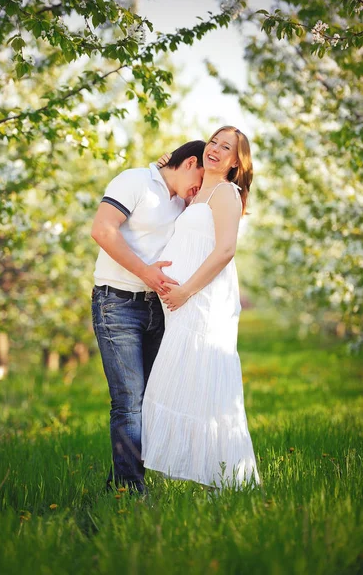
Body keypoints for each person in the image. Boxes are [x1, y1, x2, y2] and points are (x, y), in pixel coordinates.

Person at [141, 126, 261, 489]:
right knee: (191, 382)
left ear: (236, 162)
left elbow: (225, 251)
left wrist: (186, 293)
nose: (216, 149)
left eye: (227, 147)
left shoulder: (225, 192)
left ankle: (227, 482)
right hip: (183, 305)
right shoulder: (196, 191)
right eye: (214, 141)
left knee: (209, 383)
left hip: (203, 301)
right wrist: (165, 164)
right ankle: (211, 477)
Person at [90, 141, 206, 493]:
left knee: (151, 400)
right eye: (201, 176)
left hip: (157, 308)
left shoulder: (181, 201)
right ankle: (131, 491)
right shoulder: (135, 180)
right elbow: (102, 230)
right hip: (118, 304)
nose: (200, 188)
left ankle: (119, 484)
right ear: (189, 162)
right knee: (128, 403)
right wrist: (146, 273)